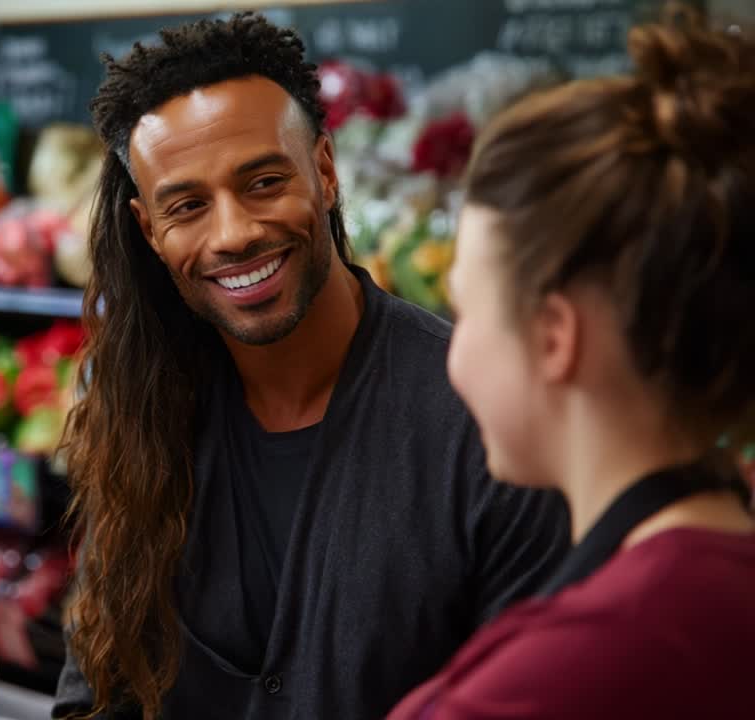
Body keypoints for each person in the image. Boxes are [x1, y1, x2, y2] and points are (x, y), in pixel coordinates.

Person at [53, 13, 570, 720]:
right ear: (149, 230)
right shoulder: (147, 423)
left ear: (324, 172)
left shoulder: (479, 420)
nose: (233, 234)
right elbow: (96, 695)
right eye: (188, 206)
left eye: (264, 181)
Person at [388, 12, 755, 720]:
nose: (452, 358)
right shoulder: (721, 570)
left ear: (554, 335)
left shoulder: (561, 674)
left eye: (465, 314)